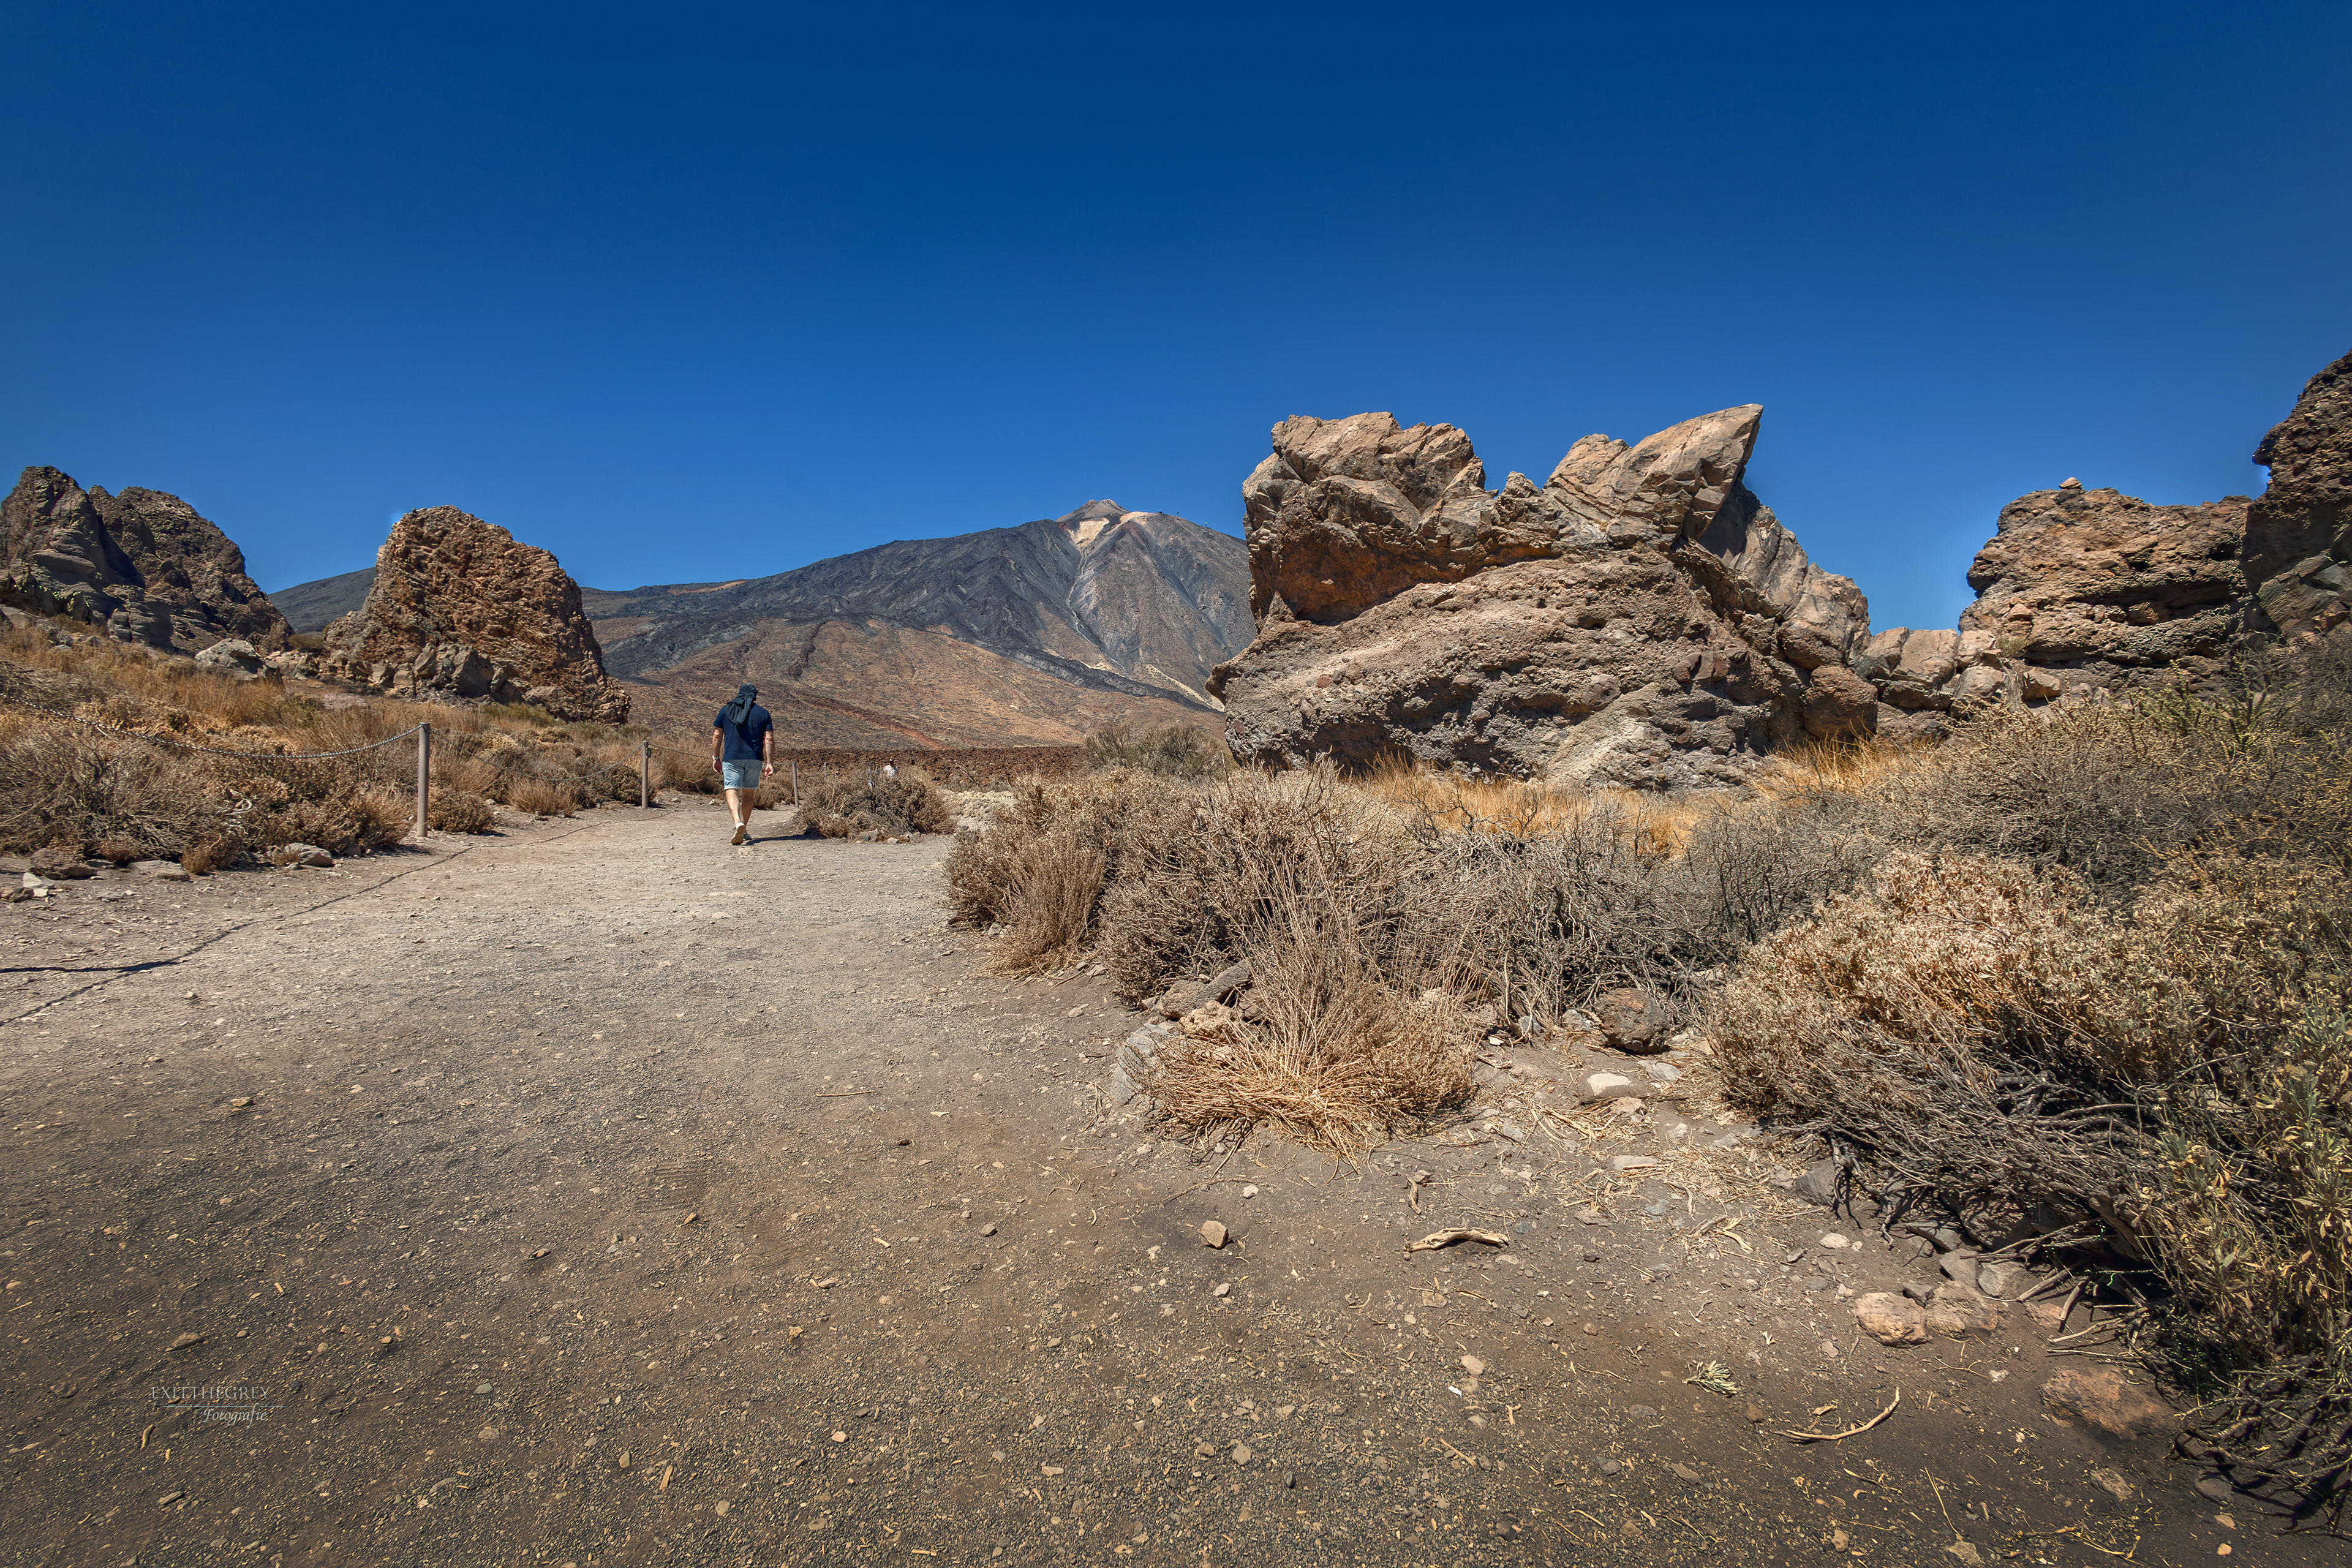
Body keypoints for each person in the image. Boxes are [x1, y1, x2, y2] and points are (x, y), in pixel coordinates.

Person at [710, 684, 774, 845]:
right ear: (754, 696)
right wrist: (770, 763)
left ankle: (737, 822)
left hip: (732, 757)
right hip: (754, 758)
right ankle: (744, 829)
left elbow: (717, 735)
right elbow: (769, 739)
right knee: (748, 794)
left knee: (731, 790)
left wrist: (715, 757)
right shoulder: (763, 713)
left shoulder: (726, 710)